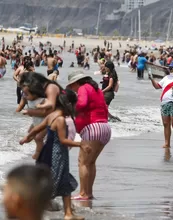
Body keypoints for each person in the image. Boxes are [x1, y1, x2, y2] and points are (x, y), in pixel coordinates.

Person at [20, 90, 84, 220]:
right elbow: (63, 140)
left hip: (49, 152)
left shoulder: (52, 115)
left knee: (65, 183)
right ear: (68, 105)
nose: (75, 107)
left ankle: (68, 214)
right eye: (74, 104)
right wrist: (81, 145)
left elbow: (38, 128)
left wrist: (27, 137)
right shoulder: (60, 120)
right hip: (58, 154)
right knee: (55, 183)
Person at [67, 71, 111, 200]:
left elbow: (82, 103)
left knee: (83, 162)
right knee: (91, 163)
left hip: (92, 127)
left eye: (71, 86)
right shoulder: (96, 89)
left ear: (76, 82)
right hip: (104, 127)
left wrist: (70, 108)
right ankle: (89, 193)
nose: (71, 89)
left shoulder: (83, 88)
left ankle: (83, 193)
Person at [15, 82, 52, 160]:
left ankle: (39, 153)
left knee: (38, 138)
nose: (25, 96)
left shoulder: (42, 100)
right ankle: (26, 139)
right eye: (24, 94)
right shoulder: (29, 100)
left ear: (35, 94)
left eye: (26, 94)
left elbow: (49, 107)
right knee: (30, 133)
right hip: (35, 121)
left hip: (45, 122)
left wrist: (41, 106)